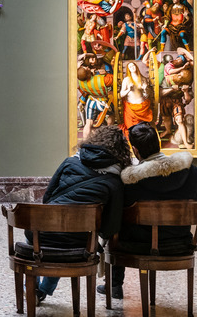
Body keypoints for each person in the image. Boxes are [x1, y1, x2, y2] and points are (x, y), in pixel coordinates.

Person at [97, 122, 197, 299]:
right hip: (180, 241)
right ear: (158, 142)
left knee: (118, 219)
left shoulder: (131, 181)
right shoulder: (190, 172)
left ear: (135, 150)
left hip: (140, 245)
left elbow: (119, 213)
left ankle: (114, 285)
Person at [31, 125, 130, 303]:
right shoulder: (114, 181)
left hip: (43, 235)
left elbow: (47, 198)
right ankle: (43, 290)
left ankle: (32, 289)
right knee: (67, 238)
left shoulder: (70, 162)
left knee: (43, 237)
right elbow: (110, 227)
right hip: (81, 243)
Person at [119, 62, 153, 130]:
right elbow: (121, 94)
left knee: (143, 128)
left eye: (133, 66)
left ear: (136, 67)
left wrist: (145, 89)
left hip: (142, 107)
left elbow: (147, 95)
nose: (132, 67)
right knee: (131, 127)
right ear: (128, 69)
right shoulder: (126, 80)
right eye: (130, 67)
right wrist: (128, 89)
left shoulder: (143, 79)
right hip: (131, 108)